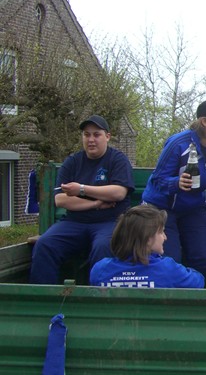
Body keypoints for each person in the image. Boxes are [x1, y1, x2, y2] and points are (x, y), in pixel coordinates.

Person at [29, 115, 134, 284]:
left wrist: (81, 189)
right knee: (44, 244)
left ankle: (96, 297)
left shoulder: (117, 160)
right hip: (74, 222)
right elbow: (61, 200)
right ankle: (43, 297)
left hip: (110, 222)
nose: (91, 140)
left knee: (103, 247)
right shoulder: (72, 162)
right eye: (86, 135)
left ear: (107, 136)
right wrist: (96, 203)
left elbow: (119, 192)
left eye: (96, 134)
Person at [141, 99, 206, 278]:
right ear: (204, 121)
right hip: (162, 208)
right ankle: (171, 295)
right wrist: (176, 183)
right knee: (170, 259)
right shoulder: (178, 143)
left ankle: (195, 292)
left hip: (194, 208)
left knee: (203, 258)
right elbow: (157, 180)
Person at [90, 204, 204, 288]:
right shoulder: (168, 269)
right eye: (161, 232)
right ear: (147, 238)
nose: (165, 237)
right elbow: (198, 282)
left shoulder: (100, 269)